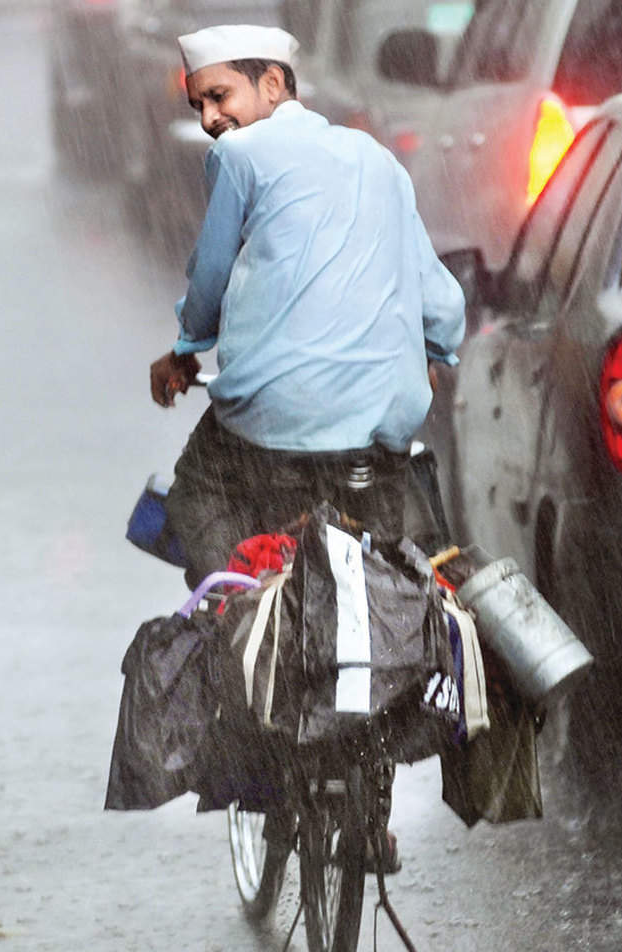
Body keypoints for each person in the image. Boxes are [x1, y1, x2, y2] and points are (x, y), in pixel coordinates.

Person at [149, 23, 466, 593]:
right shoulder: (377, 159)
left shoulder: (240, 155)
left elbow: (211, 277)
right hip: (377, 431)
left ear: (272, 84)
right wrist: (436, 351)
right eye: (198, 105)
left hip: (269, 431)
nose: (208, 119)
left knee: (197, 493)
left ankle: (235, 610)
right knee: (392, 576)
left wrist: (186, 349)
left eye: (220, 97)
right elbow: (439, 296)